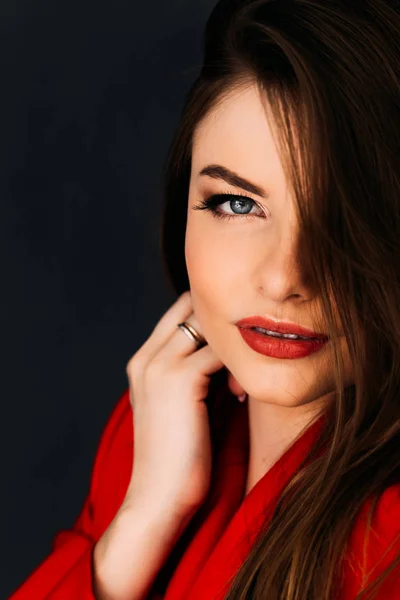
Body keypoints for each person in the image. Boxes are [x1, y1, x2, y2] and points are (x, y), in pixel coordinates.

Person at [9, 0, 400, 598]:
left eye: (345, 217)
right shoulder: (158, 424)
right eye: (237, 204)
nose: (283, 277)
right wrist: (144, 516)